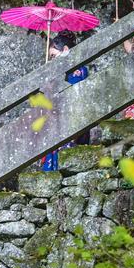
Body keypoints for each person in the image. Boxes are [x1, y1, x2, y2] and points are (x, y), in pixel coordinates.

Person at [41, 32, 90, 171]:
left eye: (54, 56)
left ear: (66, 50)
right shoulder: (65, 72)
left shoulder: (77, 71)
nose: (52, 60)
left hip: (71, 121)